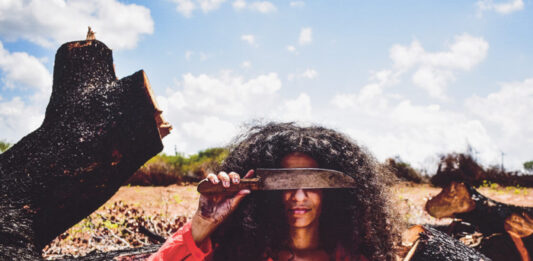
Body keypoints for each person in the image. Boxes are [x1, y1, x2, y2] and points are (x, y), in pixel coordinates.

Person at [149, 122, 402, 260]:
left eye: (312, 185)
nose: (299, 196)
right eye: (287, 183)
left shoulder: (353, 258)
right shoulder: (239, 256)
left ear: (329, 194)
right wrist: (201, 225)